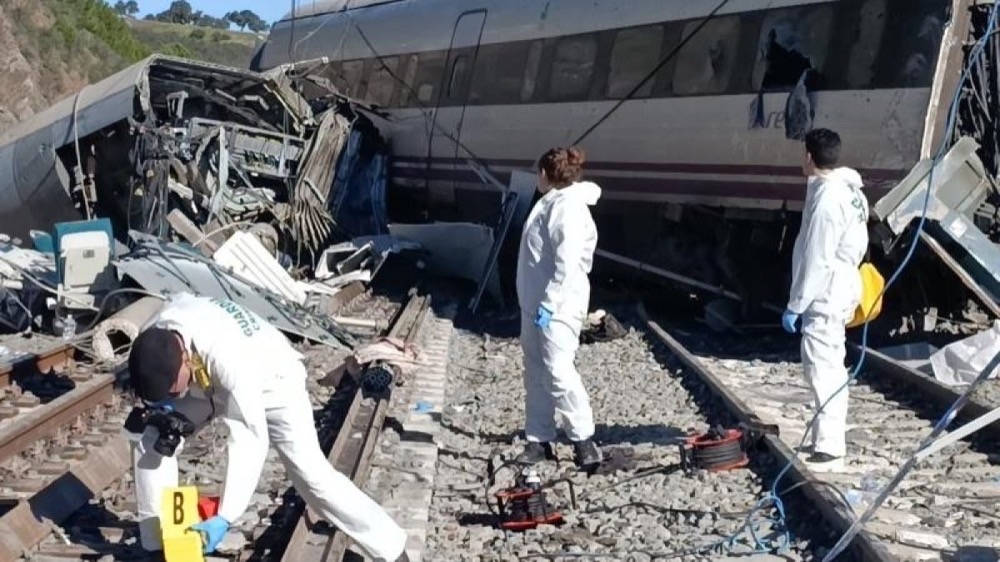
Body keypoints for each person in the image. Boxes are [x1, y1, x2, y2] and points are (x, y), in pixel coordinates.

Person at [124, 292, 409, 561]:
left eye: (173, 391)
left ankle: (391, 547)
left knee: (312, 478)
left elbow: (249, 437)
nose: (173, 398)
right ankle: (157, 546)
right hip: (207, 381)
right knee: (153, 438)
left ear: (185, 359)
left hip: (273, 379)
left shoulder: (227, 357)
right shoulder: (155, 336)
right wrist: (159, 411)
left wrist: (226, 515)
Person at [782, 128, 869, 469]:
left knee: (822, 366)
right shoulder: (850, 190)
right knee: (830, 361)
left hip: (827, 289)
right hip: (844, 281)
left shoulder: (827, 200)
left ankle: (830, 446)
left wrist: (795, 304)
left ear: (808, 156)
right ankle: (827, 437)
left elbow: (816, 256)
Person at [514, 146, 603, 469]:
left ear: (544, 173)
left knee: (559, 372)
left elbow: (567, 265)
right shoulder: (552, 203)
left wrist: (550, 305)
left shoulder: (568, 209)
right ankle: (539, 438)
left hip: (557, 307)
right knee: (536, 373)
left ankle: (584, 440)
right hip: (536, 304)